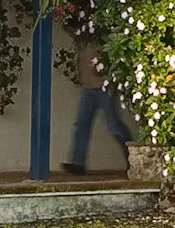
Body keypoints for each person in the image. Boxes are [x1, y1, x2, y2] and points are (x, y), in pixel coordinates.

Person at [56, 34, 131, 175]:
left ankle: (133, 158)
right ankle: (77, 163)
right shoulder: (82, 40)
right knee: (81, 124)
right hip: (88, 89)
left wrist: (98, 67)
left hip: (104, 88)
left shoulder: (100, 39)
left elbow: (110, 62)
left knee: (113, 125)